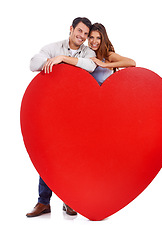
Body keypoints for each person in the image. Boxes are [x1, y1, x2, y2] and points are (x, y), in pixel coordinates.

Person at [26, 17, 97, 218]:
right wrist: (53, 61)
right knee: (48, 155)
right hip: (53, 110)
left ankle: (70, 201)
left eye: (85, 34)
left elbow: (91, 66)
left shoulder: (87, 51)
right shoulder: (54, 46)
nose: (82, 36)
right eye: (80, 31)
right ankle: (43, 202)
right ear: (71, 29)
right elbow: (33, 63)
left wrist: (63, 60)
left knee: (73, 156)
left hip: (78, 111)